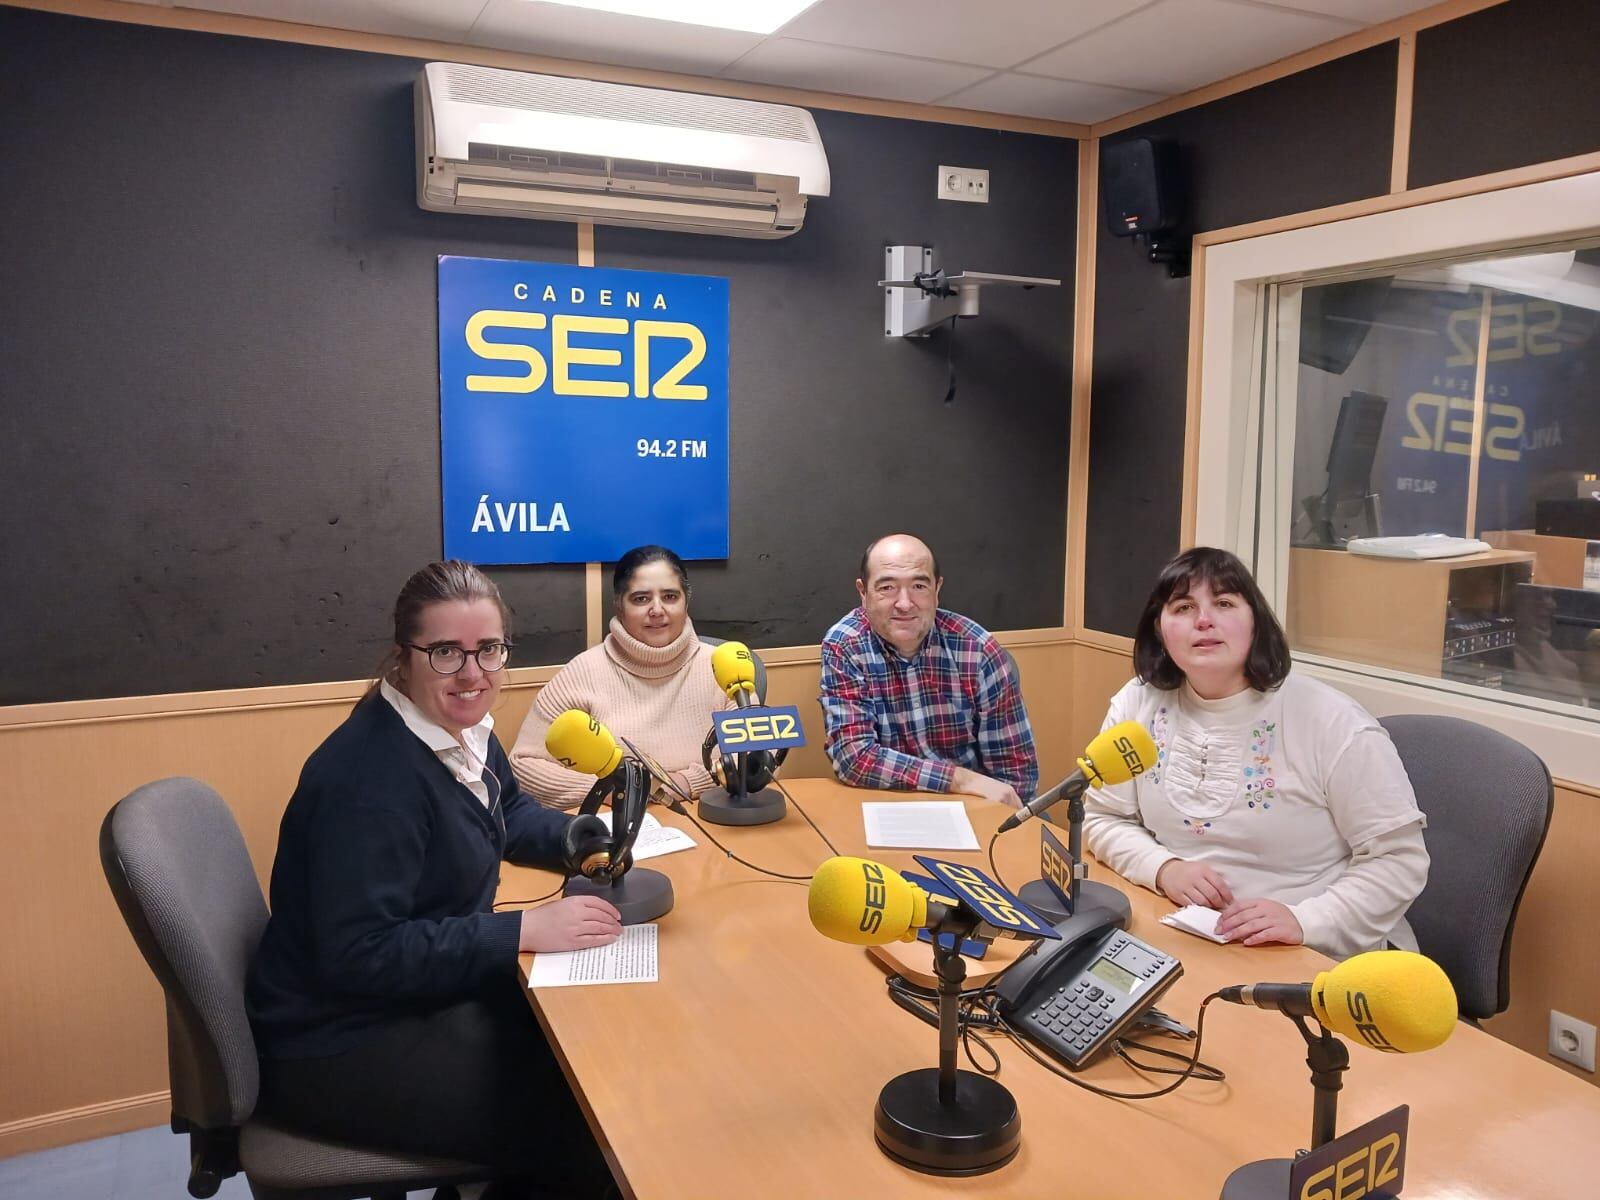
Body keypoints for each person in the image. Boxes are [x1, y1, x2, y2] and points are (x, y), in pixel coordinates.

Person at [246, 561, 622, 1198]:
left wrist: (573, 838)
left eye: (489, 651)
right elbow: (360, 955)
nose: (473, 674)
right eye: (447, 652)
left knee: (589, 1055)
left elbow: (503, 808)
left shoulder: (458, 725)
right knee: (593, 1120)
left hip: (412, 998)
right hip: (339, 1040)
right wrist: (523, 930)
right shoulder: (370, 782)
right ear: (403, 657)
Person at [1083, 546, 1429, 960]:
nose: (1204, 620)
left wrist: (1306, 920)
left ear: (1255, 623)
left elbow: (1398, 861)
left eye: (1224, 603)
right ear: (1159, 629)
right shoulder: (1137, 703)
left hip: (1311, 954)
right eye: (1183, 607)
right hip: (1182, 933)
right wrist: (1162, 868)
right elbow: (1103, 818)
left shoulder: (1332, 721)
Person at [819, 533, 1038, 806]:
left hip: (973, 808)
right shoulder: (845, 645)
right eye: (887, 587)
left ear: (937, 589)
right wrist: (960, 779)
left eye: (919, 586)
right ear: (863, 593)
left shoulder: (977, 649)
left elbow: (1015, 772)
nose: (905, 603)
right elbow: (854, 757)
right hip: (886, 806)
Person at [511, 545, 733, 806]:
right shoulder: (583, 672)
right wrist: (608, 791)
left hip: (709, 821)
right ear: (619, 605)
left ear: (686, 601)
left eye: (670, 596)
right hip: (616, 828)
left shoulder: (723, 667)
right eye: (641, 598)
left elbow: (761, 755)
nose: (657, 609)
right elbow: (523, 767)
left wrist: (686, 783)